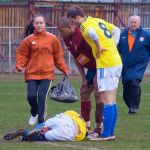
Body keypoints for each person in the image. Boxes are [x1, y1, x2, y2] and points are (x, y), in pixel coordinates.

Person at [67, 5, 122, 141]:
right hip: (116, 60)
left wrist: (98, 47)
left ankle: (106, 134)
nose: (73, 24)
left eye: (72, 21)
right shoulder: (97, 20)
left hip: (105, 63)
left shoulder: (84, 26)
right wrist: (113, 45)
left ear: (77, 18)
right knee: (112, 99)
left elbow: (92, 33)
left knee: (107, 99)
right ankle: (110, 132)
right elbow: (116, 30)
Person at [16, 14, 69, 125]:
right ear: (33, 25)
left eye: (41, 23)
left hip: (47, 74)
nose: (39, 25)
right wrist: (20, 65)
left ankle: (40, 124)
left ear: (45, 24)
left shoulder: (53, 39)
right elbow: (22, 54)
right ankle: (34, 112)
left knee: (42, 97)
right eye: (37, 23)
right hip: (31, 73)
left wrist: (64, 68)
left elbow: (58, 56)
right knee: (31, 97)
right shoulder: (28, 40)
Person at [57, 16, 103, 135]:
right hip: (92, 68)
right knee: (84, 92)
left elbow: (99, 48)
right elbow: (77, 58)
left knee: (98, 94)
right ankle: (86, 127)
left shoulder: (83, 34)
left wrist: (99, 71)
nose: (60, 34)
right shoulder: (67, 39)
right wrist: (83, 78)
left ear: (71, 27)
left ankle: (99, 128)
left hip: (101, 65)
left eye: (62, 31)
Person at [118, 15, 150, 114]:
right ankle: (130, 105)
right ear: (129, 23)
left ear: (139, 23)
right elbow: (118, 49)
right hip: (126, 65)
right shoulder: (123, 34)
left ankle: (134, 107)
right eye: (131, 22)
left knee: (134, 83)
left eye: (135, 22)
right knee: (126, 86)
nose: (133, 24)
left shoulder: (146, 35)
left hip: (139, 65)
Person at [3, 110, 87, 142]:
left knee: (44, 126)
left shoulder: (74, 114)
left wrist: (47, 127)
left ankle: (31, 132)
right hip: (69, 133)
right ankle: (26, 135)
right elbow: (81, 136)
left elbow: (65, 114)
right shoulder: (82, 134)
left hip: (66, 119)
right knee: (43, 137)